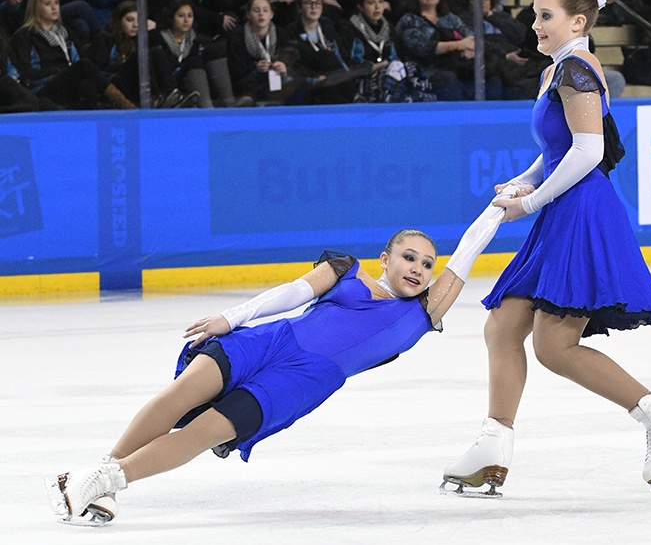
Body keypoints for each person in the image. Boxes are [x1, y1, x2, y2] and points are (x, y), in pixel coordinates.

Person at [47, 209, 511, 526]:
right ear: (385, 259)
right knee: (179, 396)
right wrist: (230, 319)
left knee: (201, 432)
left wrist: (499, 208)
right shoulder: (346, 270)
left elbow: (469, 250)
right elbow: (291, 294)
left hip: (300, 383)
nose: (418, 268)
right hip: (268, 341)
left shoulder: (423, 314)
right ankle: (97, 479)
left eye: (428, 264)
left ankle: (104, 481)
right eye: (409, 257)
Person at [442, 0, 651, 497]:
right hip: (562, 210)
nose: (535, 24)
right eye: (535, 15)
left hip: (581, 214)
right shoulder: (558, 70)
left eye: (546, 16)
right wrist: (525, 179)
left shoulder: (574, 70)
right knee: (503, 327)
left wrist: (531, 201)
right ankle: (492, 447)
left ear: (579, 21)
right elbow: (559, 149)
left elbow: (589, 152)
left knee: (554, 346)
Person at [10, 0, 135, 110]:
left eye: (56, 3)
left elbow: (81, 59)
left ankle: (89, 124)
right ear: (36, 7)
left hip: (69, 80)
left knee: (88, 84)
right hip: (42, 87)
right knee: (84, 65)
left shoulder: (66, 32)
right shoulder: (24, 35)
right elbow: (26, 73)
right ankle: (124, 104)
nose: (54, 8)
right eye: (47, 4)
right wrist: (55, 72)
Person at [89, 0, 199, 108]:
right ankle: (155, 97)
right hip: (115, 83)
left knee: (155, 51)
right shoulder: (105, 38)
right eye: (130, 20)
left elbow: (168, 65)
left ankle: (172, 94)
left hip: (138, 85)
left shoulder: (143, 39)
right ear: (119, 21)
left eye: (139, 20)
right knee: (143, 54)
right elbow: (100, 71)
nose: (135, 25)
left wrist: (153, 34)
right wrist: (129, 63)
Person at [395, 0, 482, 102]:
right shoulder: (409, 20)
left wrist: (468, 48)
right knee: (448, 78)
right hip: (424, 71)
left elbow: (470, 36)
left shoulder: (449, 18)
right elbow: (422, 47)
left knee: (488, 75)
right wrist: (458, 45)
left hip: (453, 64)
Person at [154, 0, 251, 108]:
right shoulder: (158, 37)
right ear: (171, 17)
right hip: (170, 84)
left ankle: (228, 101)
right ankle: (206, 108)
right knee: (194, 62)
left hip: (192, 82)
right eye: (181, 16)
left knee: (215, 49)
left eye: (190, 16)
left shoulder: (196, 39)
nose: (186, 20)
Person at [346, 0, 435, 102]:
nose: (377, 7)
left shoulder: (388, 27)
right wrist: (374, 67)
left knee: (410, 69)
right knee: (396, 68)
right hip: (364, 78)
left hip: (391, 75)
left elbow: (397, 55)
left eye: (381, 2)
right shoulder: (350, 28)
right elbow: (350, 63)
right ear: (360, 7)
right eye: (371, 3)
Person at [284, 0, 358, 104]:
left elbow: (340, 56)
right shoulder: (291, 31)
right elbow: (294, 65)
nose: (314, 7)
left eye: (318, 3)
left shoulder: (328, 27)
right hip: (307, 79)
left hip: (331, 79)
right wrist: (315, 77)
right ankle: (354, 97)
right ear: (299, 7)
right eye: (308, 3)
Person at [227, 0, 293, 105]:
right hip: (249, 84)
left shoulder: (281, 34)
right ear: (248, 14)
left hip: (277, 83)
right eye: (256, 10)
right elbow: (235, 72)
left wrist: (284, 68)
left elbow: (291, 62)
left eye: (265, 10)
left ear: (272, 14)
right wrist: (255, 68)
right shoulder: (237, 37)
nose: (261, 14)